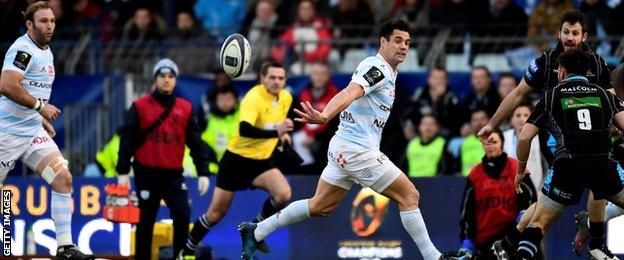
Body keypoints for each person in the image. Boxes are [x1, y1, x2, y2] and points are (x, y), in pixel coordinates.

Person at [238, 19, 464, 260]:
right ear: (383, 42)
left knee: (320, 206)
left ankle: (257, 230)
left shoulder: (388, 71)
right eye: (397, 40)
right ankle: (434, 258)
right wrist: (325, 115)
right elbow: (350, 92)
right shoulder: (378, 68)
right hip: (357, 150)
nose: (404, 47)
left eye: (407, 42)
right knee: (410, 196)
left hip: (343, 146)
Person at [477, 10, 615, 257]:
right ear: (558, 33)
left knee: (560, 195)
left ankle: (510, 242)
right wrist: (493, 123)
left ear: (584, 36)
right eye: (566, 32)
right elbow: (518, 93)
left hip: (592, 135)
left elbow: (611, 96)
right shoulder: (545, 62)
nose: (570, 38)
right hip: (557, 139)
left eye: (575, 33)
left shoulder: (597, 62)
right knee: (563, 194)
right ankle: (594, 240)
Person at [511, 49, 624, 260]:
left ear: (562, 72)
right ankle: (596, 242)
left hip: (566, 167)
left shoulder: (551, 95)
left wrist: (519, 170)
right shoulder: (603, 94)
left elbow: (525, 137)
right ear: (588, 72)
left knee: (537, 224)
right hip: (603, 165)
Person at [0, 2, 92, 259]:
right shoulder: (23, 49)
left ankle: (64, 247)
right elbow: (7, 85)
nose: (50, 26)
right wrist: (41, 107)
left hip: (31, 132)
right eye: (43, 21)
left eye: (52, 21)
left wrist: (38, 119)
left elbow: (29, 89)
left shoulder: (47, 51)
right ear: (29, 24)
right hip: (6, 133)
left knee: (63, 178)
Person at [178, 62, 294, 259]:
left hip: (261, 162)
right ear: (262, 78)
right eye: (272, 77)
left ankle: (253, 230)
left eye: (281, 78)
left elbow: (273, 125)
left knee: (283, 194)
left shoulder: (286, 98)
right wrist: (277, 132)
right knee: (215, 214)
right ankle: (186, 249)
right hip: (236, 161)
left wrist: (281, 137)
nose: (276, 82)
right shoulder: (253, 97)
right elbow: (245, 130)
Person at [116, 58, 211, 259]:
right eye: (162, 76)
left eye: (170, 76)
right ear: (155, 79)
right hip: (146, 173)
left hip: (173, 175)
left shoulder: (185, 108)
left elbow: (196, 142)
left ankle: (180, 256)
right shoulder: (140, 106)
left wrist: (203, 171)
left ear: (175, 80)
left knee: (183, 214)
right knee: (145, 220)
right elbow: (128, 138)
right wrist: (122, 170)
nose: (167, 80)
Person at [459, 128, 536, 259]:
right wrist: (467, 240)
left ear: (502, 143)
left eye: (494, 142)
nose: (490, 146)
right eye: (486, 143)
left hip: (513, 235)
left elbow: (531, 199)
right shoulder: (475, 174)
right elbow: (467, 212)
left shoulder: (515, 167)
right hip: (485, 240)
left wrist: (524, 217)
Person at [503, 104, 544, 191]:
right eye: (518, 115)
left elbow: (547, 166)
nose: (522, 119)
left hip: (536, 190)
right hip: (507, 191)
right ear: (511, 118)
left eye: (526, 115)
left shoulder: (540, 138)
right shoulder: (504, 138)